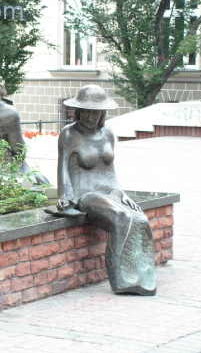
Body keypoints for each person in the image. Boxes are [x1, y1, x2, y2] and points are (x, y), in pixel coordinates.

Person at [56, 84, 156, 295]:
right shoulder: (69, 134)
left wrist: (123, 193)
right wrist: (65, 196)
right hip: (85, 193)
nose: (91, 116)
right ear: (79, 111)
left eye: (96, 112)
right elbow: (63, 168)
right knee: (120, 216)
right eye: (86, 111)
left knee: (140, 218)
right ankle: (122, 279)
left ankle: (143, 276)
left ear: (102, 113)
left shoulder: (108, 132)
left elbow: (110, 172)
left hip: (110, 191)